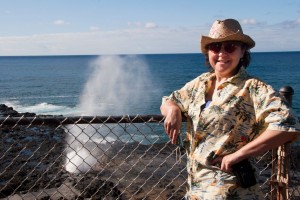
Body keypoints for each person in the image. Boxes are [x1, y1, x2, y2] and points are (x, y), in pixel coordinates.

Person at [160, 18, 300, 199]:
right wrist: (173, 110)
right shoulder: (201, 83)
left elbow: (288, 125)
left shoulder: (253, 88)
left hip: (231, 190)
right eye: (216, 47)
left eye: (230, 46)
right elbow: (169, 100)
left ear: (243, 52)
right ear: (208, 52)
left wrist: (237, 155)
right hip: (196, 188)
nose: (222, 53)